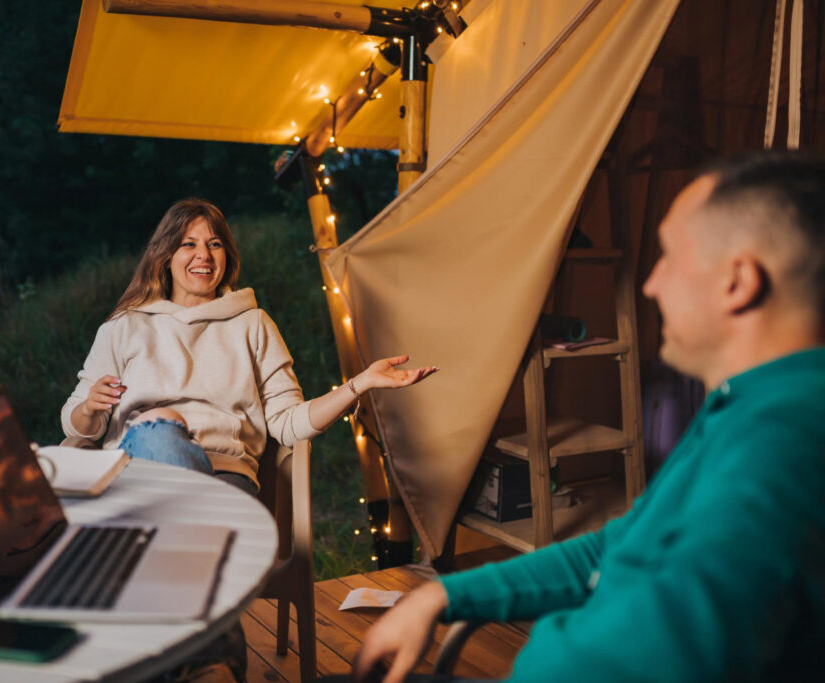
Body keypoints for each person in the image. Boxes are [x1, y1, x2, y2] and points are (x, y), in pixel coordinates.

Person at [344, 151, 825, 682]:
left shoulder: (786, 444)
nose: (651, 284)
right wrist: (443, 593)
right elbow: (621, 544)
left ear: (737, 281)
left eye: (669, 257)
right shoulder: (744, 404)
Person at [61, 198, 437, 497]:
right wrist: (91, 408)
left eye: (214, 244)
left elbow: (288, 424)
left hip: (222, 479)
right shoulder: (124, 327)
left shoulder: (252, 324)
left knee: (157, 457)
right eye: (188, 244)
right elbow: (77, 426)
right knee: (155, 433)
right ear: (165, 257)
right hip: (135, 473)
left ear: (227, 256)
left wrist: (361, 383)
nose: (203, 256)